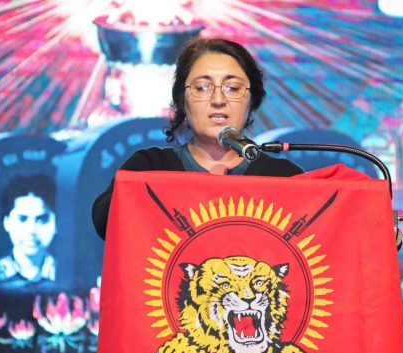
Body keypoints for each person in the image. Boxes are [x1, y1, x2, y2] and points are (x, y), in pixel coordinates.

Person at [92, 38, 303, 239]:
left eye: (233, 88)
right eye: (202, 88)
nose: (218, 100)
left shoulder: (283, 178)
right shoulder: (150, 167)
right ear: (182, 100)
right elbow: (105, 222)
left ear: (252, 100)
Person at [0, 174, 57, 292]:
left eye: (42, 220)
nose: (31, 230)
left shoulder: (65, 273)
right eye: (22, 219)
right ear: (7, 222)